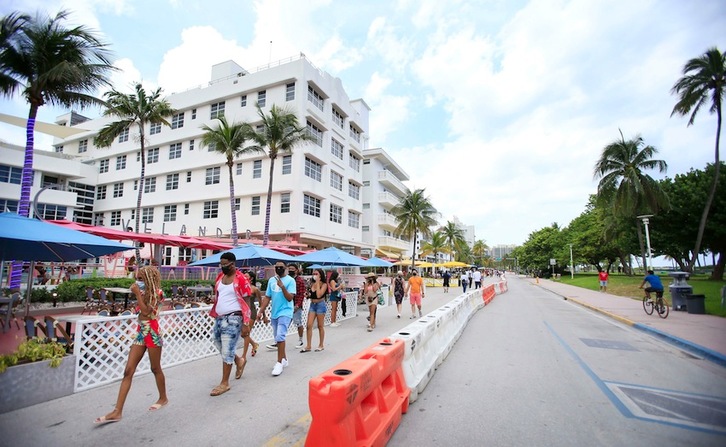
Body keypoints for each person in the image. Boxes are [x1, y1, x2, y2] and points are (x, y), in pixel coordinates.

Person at [94, 266, 167, 424]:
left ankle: (163, 398)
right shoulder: (144, 293)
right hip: (141, 333)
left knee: (155, 368)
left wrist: (137, 295)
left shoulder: (158, 293)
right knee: (128, 371)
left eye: (140, 279)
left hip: (153, 335)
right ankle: (117, 411)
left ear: (148, 279)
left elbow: (147, 312)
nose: (137, 282)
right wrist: (138, 294)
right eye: (137, 278)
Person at [208, 252, 252, 396]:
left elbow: (248, 300)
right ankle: (239, 360)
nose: (222, 267)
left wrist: (247, 322)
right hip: (220, 318)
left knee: (227, 349)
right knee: (217, 342)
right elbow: (220, 296)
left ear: (232, 264)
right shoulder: (220, 277)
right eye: (221, 264)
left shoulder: (241, 279)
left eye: (225, 264)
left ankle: (224, 383)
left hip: (234, 318)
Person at [258, 261, 296, 376]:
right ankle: (284, 359)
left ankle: (279, 363)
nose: (279, 269)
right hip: (275, 313)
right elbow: (267, 297)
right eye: (277, 267)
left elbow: (290, 298)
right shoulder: (271, 280)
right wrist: (261, 311)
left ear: (285, 268)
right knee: (278, 339)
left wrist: (283, 287)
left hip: (286, 312)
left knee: (280, 336)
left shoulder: (290, 280)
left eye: (281, 267)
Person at [301, 268, 327, 352]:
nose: (315, 275)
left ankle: (321, 344)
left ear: (320, 275)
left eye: (316, 274)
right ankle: (308, 345)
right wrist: (307, 295)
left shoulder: (324, 284)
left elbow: (319, 295)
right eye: (314, 274)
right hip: (313, 305)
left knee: (320, 326)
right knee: (309, 325)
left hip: (320, 304)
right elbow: (311, 294)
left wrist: (318, 283)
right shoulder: (311, 284)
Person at [240, 271, 261, 360]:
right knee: (242, 333)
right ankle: (254, 344)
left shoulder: (255, 289)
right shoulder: (241, 288)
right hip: (242, 311)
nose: (244, 278)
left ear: (251, 278)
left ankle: (244, 355)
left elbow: (261, 302)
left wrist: (262, 314)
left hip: (251, 312)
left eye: (246, 276)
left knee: (246, 333)